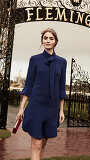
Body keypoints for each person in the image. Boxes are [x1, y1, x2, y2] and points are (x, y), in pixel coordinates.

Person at [16, 27, 67, 160]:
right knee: (36, 144)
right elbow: (28, 86)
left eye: (51, 38)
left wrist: (61, 110)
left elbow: (61, 88)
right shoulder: (34, 60)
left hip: (52, 108)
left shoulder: (62, 62)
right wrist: (21, 108)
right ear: (42, 40)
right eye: (45, 38)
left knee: (43, 144)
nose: (48, 41)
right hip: (36, 107)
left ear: (56, 41)